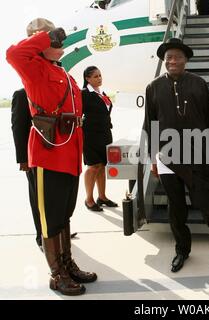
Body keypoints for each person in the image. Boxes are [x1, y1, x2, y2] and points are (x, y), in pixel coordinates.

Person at [7, 18, 97, 296]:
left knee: (65, 215)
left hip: (69, 152)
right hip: (48, 153)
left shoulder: (63, 72)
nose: (59, 44)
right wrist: (45, 37)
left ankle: (67, 264)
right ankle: (56, 275)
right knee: (50, 218)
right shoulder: (33, 68)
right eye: (51, 40)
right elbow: (13, 53)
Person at [143, 38, 209, 273]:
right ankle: (182, 249)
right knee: (176, 204)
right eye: (168, 57)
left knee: (203, 193)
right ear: (164, 60)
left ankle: (207, 211)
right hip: (168, 157)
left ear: (185, 60)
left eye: (177, 57)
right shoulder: (153, 87)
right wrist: (152, 158)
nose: (172, 61)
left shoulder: (199, 84)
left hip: (198, 152)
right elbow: (150, 125)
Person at [82, 66, 118, 212]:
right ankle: (89, 199)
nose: (99, 78)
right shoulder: (84, 93)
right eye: (96, 76)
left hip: (104, 134)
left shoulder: (100, 93)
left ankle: (102, 197)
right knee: (93, 167)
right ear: (87, 79)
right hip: (91, 135)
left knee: (102, 165)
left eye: (100, 75)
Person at [11, 88, 42, 250]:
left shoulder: (50, 92)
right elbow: (18, 127)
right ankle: (42, 235)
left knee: (55, 198)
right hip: (33, 157)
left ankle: (56, 232)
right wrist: (23, 159)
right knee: (38, 197)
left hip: (54, 156)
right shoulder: (22, 94)